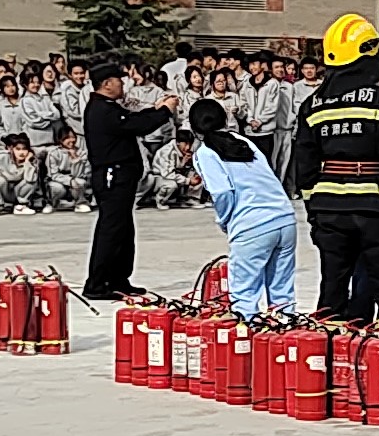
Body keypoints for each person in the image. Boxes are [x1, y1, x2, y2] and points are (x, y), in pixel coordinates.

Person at [288, 13, 379, 395]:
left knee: (332, 288)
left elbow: (304, 166)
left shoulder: (313, 104)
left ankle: (330, 369)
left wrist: (315, 211)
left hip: (329, 212)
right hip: (374, 209)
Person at [188, 98, 299, 321]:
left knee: (245, 297)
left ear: (193, 128)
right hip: (285, 219)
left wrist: (224, 220)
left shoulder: (205, 153)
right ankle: (286, 332)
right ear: (225, 120)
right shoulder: (243, 141)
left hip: (252, 225)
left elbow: (222, 193)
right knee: (283, 296)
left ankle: (246, 336)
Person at [76, 62, 169, 299]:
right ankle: (97, 283)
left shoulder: (109, 108)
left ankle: (118, 278)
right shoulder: (102, 110)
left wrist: (156, 108)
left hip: (123, 176)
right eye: (118, 80)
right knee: (111, 229)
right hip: (113, 176)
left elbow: (133, 118)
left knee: (124, 230)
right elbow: (137, 125)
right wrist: (164, 112)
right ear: (107, 84)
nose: (122, 84)